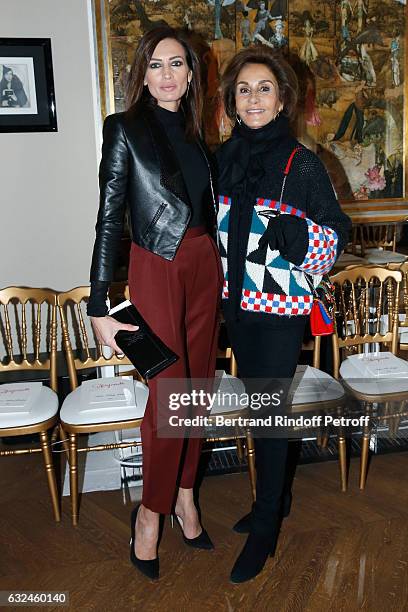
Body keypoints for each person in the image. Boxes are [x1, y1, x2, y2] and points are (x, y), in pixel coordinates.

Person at [87, 27, 222, 581]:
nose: (167, 74)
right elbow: (109, 218)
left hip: (204, 264)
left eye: (178, 64)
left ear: (191, 75)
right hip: (154, 266)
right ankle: (150, 514)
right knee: (168, 394)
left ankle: (186, 497)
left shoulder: (198, 133)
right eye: (156, 64)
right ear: (141, 74)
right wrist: (99, 303)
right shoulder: (123, 129)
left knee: (198, 390)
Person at [216, 46, 351, 583]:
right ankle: (277, 498)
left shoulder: (303, 164)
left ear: (282, 99)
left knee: (270, 416)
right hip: (236, 307)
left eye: (264, 88)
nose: (253, 97)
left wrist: (299, 236)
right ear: (231, 100)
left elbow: (335, 237)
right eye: (243, 89)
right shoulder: (223, 159)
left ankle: (268, 522)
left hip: (278, 308)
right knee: (259, 411)